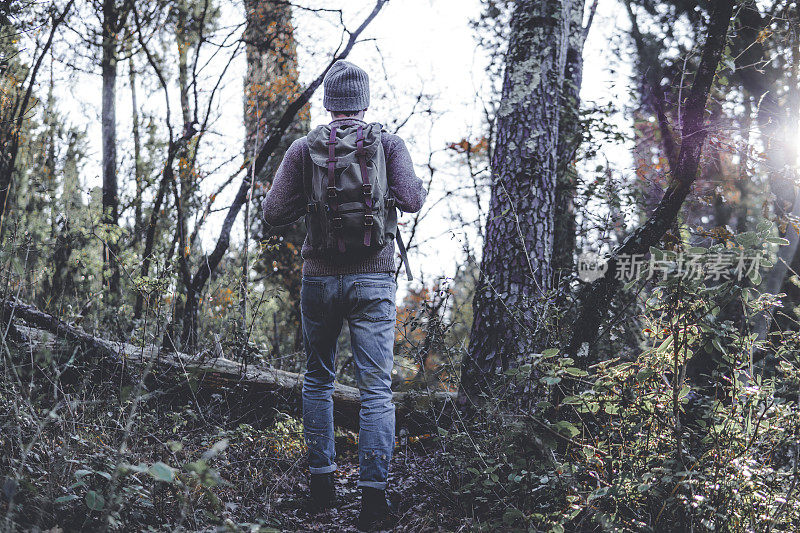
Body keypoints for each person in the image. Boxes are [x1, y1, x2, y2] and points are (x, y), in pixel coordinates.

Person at [261, 59, 427, 531]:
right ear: (365, 101)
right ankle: (373, 503)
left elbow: (274, 212)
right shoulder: (388, 143)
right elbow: (411, 201)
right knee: (377, 390)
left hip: (318, 277)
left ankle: (321, 488)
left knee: (318, 381)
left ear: (328, 102)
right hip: (374, 277)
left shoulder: (302, 148)